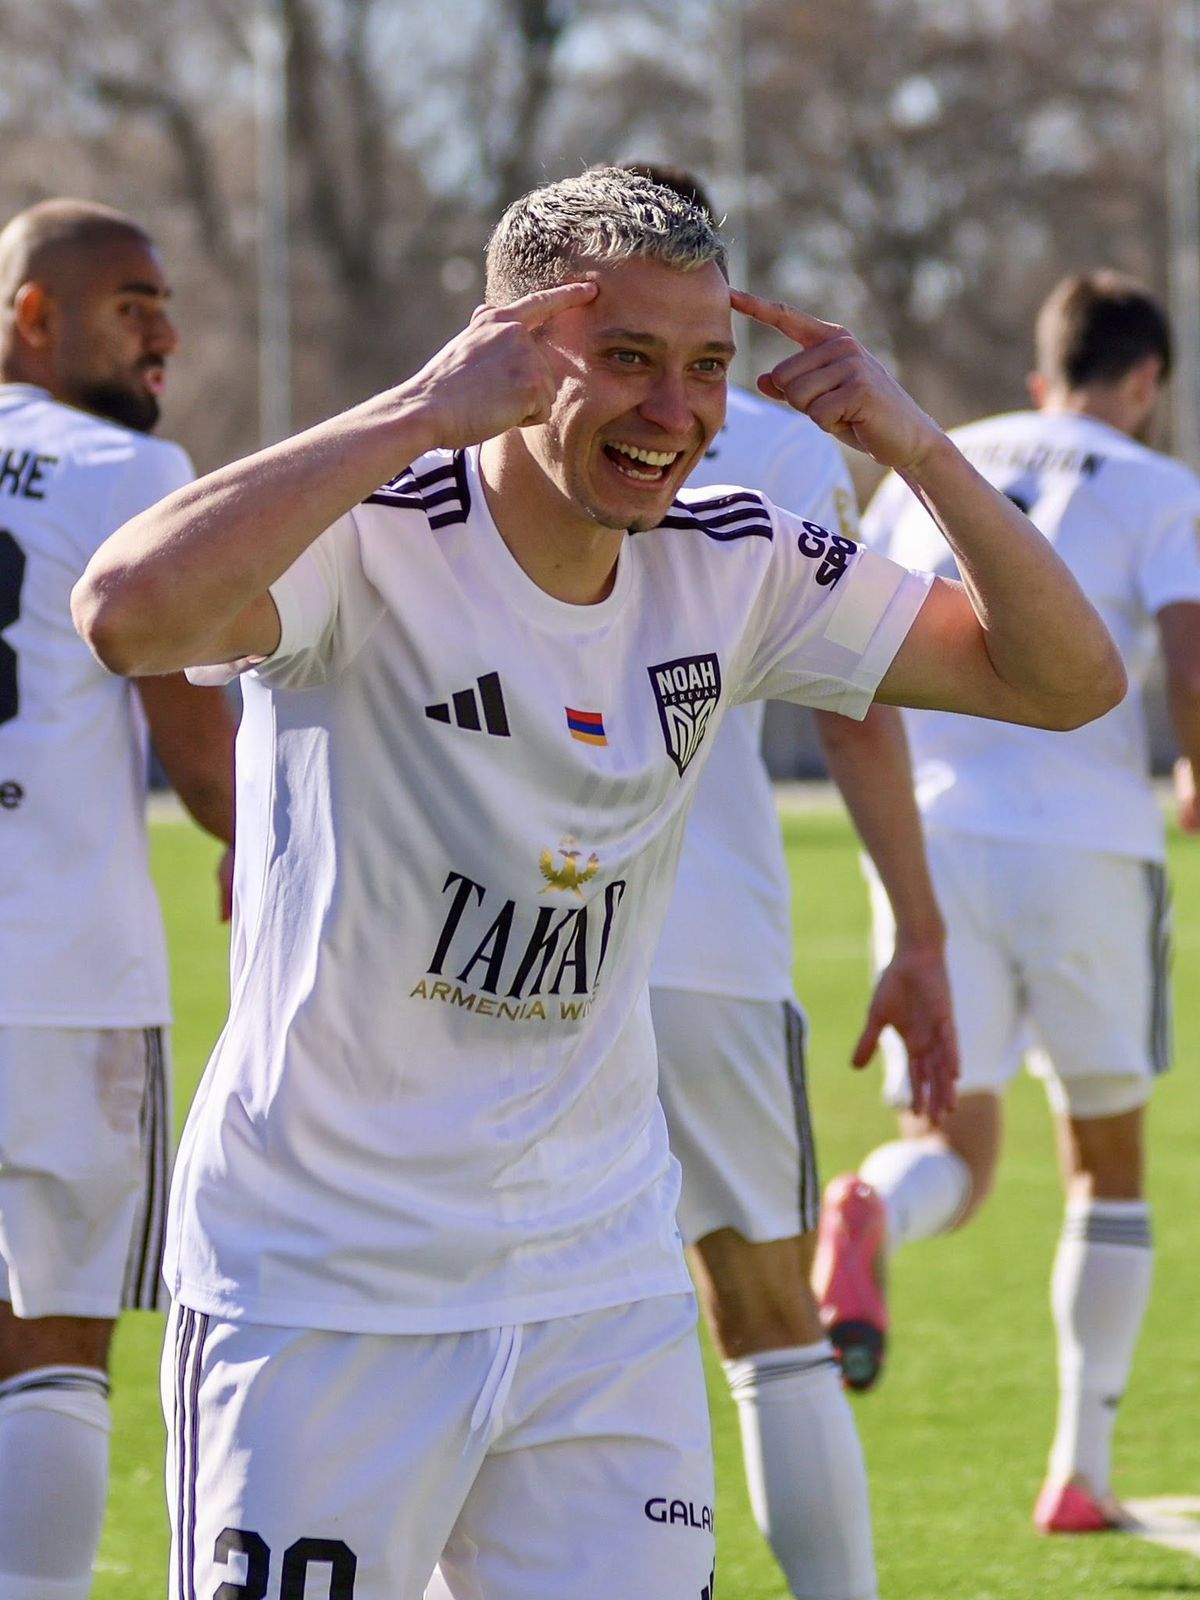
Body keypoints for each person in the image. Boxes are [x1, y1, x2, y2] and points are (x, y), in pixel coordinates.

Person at [72, 169, 1122, 1600]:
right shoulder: (373, 529)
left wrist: (914, 447)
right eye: (624, 358)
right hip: (325, 1282)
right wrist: (418, 411)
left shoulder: (735, 557)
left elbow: (1068, 682)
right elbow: (127, 614)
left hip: (597, 1287)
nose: (675, 412)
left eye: (706, 369)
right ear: (511, 349)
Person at [815, 270, 1200, 1536]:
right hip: (1087, 843)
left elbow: (847, 635)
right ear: (1145, 382)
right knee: (1107, 1157)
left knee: (955, 1148)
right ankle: (1078, 1472)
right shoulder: (1157, 484)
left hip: (927, 840)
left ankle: (872, 1200)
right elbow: (1188, 652)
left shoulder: (935, 454)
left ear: (1045, 368)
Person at [620, 160, 955, 1600]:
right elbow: (857, 702)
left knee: (529, 1308)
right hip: (708, 941)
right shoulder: (778, 443)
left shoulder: (456, 430)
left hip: (485, 943)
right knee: (765, 1315)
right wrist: (918, 929)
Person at [0, 199, 237, 1600]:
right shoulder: (130, 471)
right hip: (64, 970)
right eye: (132, 301)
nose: (166, 332)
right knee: (59, 1337)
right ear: (33, 312)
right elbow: (200, 757)